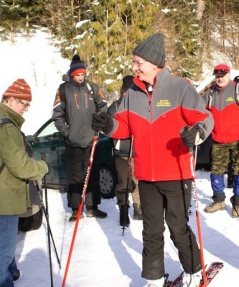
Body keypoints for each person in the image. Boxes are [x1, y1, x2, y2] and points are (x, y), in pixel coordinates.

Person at [91, 33, 214, 287]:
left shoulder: (180, 87)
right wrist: (107, 125)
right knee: (151, 230)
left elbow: (205, 118)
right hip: (146, 174)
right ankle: (154, 277)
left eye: (139, 62)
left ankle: (193, 269)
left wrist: (197, 133)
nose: (134, 67)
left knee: (177, 227)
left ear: (155, 63)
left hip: (176, 172)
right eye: (134, 62)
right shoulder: (133, 92)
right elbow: (123, 127)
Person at [0, 79, 49, 287]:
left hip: (2, 193)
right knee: (2, 249)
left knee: (5, 244)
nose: (26, 109)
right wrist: (43, 168)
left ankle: (10, 272)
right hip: (4, 197)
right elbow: (21, 167)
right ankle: (1, 282)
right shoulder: (5, 128)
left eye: (28, 104)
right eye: (23, 103)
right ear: (10, 100)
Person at [52, 54, 108, 221]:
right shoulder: (63, 90)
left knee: (92, 173)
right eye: (78, 75)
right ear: (71, 75)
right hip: (73, 141)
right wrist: (67, 132)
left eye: (83, 74)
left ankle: (93, 206)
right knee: (75, 176)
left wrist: (99, 124)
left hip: (92, 139)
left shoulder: (92, 87)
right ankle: (76, 208)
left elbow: (103, 106)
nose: (81, 77)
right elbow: (57, 115)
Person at [202, 64, 239, 217]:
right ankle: (219, 200)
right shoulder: (210, 93)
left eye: (223, 75)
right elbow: (202, 113)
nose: (220, 78)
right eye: (217, 76)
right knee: (216, 171)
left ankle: (237, 204)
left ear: (229, 74)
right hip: (218, 140)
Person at [107, 75, 142, 226]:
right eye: (125, 92)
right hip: (121, 151)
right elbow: (110, 129)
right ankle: (123, 209)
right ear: (122, 91)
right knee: (123, 183)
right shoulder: (114, 108)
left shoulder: (140, 106)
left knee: (137, 181)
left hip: (137, 149)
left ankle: (138, 208)